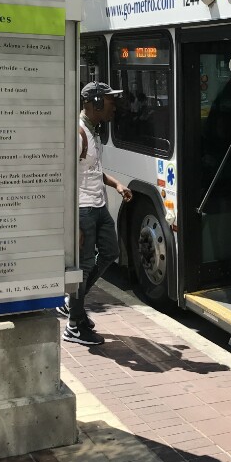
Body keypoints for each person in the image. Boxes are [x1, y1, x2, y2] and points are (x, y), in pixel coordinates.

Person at [59, 82, 132, 346]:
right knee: (85, 265)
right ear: (96, 103)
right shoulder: (78, 134)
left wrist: (115, 184)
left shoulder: (93, 131)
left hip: (98, 205)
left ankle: (72, 304)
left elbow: (90, 170)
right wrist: (74, 221)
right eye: (110, 102)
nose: (115, 108)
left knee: (111, 252)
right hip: (83, 209)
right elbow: (66, 178)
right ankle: (75, 325)